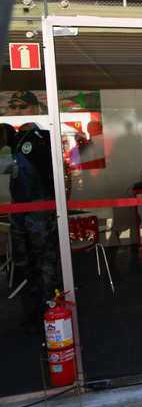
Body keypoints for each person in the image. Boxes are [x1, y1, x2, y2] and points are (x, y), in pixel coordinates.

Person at [2, 91, 61, 331]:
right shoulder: (12, 136)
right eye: (12, 107)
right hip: (20, 209)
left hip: (41, 208)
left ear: (36, 109)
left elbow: (59, 174)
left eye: (22, 107)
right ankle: (31, 311)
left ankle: (54, 309)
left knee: (46, 261)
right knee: (22, 261)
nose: (16, 111)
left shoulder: (44, 136)